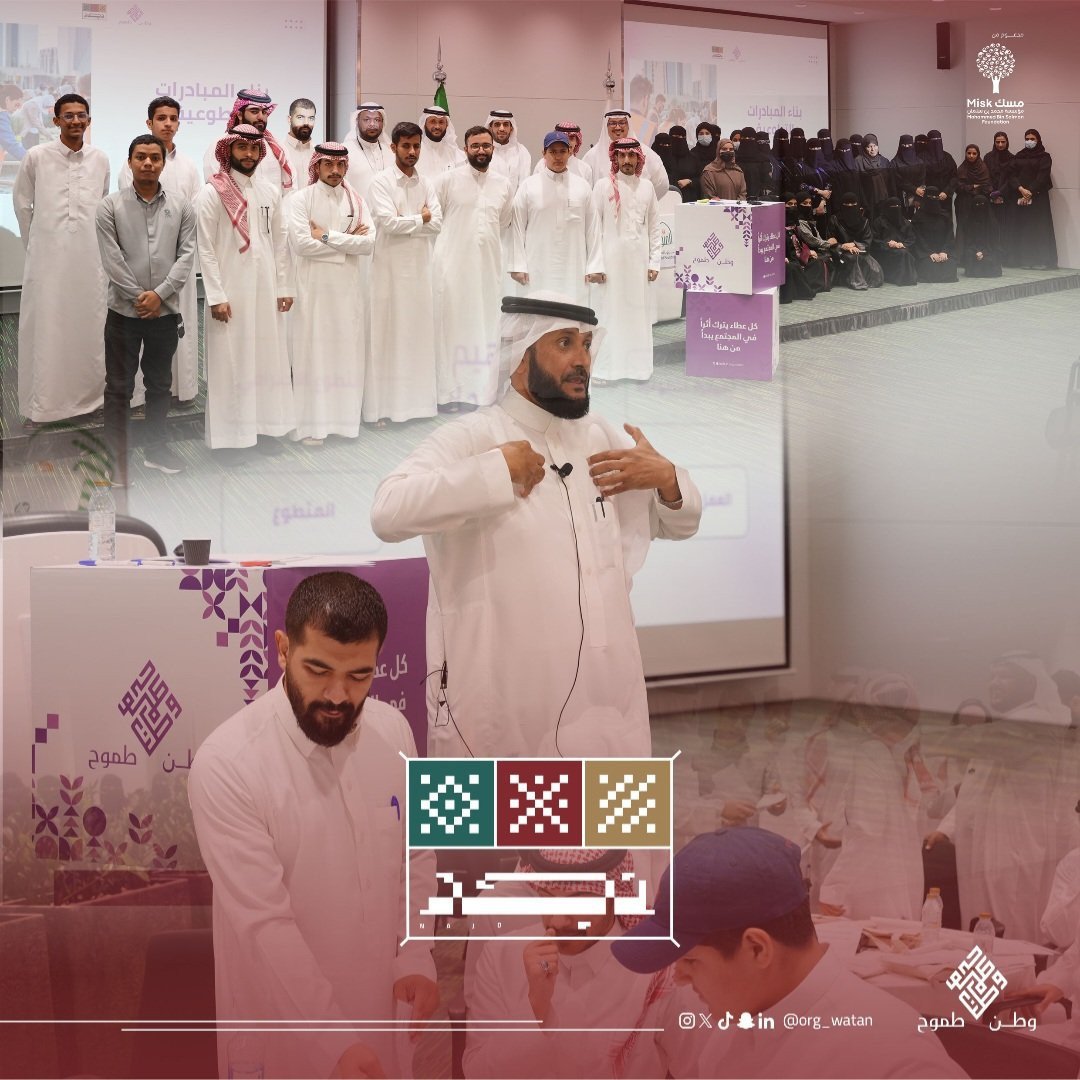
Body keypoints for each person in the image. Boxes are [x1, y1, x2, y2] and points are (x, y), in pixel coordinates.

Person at [370, 294, 701, 759]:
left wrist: (668, 480)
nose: (582, 360)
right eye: (564, 343)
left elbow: (681, 524)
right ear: (520, 357)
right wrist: (494, 471)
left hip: (608, 700)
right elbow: (387, 511)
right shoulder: (474, 437)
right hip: (498, 710)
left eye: (586, 344)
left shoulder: (601, 436)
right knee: (487, 810)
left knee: (615, 809)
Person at [188, 572, 439, 1080]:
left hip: (383, 1019)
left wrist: (416, 953)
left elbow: (417, 851)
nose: (338, 695)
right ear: (283, 650)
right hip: (285, 1038)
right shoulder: (228, 765)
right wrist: (334, 1042)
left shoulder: (394, 731)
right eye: (318, 670)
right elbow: (265, 928)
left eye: (359, 676)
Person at [612, 828, 967, 1079]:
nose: (679, 978)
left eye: (691, 961)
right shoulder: (736, 1023)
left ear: (757, 948)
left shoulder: (893, 1058)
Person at [463, 849, 703, 1079]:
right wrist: (534, 1007)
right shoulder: (501, 955)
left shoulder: (658, 970)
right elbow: (476, 1073)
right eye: (547, 899)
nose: (558, 920)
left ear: (614, 897)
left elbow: (700, 1070)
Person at [925, 652, 1077, 941]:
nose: (994, 683)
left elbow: (977, 741)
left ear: (1029, 683)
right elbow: (975, 787)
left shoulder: (1038, 722)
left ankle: (1008, 973)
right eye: (992, 676)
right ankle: (980, 972)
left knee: (1006, 926)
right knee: (982, 924)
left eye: (1004, 676)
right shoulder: (1008, 724)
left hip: (1013, 849)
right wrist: (947, 829)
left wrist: (917, 734)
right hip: (986, 846)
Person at [95, 134, 196, 483]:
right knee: (118, 387)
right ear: (130, 162)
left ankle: (156, 450)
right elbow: (112, 260)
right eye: (141, 157)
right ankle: (115, 459)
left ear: (163, 163)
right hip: (124, 314)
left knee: (159, 385)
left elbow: (186, 256)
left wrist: (160, 295)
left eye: (155, 157)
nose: (148, 163)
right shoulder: (109, 207)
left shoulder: (182, 206)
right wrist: (142, 297)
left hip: (164, 315)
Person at [194, 125, 295, 459]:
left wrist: (284, 285)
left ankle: (265, 430)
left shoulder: (270, 191)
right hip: (230, 291)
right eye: (242, 148)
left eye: (254, 148)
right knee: (231, 362)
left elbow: (280, 242)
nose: (249, 154)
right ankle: (230, 440)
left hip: (266, 289)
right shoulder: (213, 192)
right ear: (229, 150)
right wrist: (215, 295)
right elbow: (205, 249)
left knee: (267, 359)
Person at [14, 93, 110, 424]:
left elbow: (102, 205)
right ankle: (43, 405)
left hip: (90, 258)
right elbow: (22, 205)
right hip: (48, 260)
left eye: (81, 115)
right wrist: (37, 245)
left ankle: (90, 400)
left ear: (89, 120)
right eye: (68, 116)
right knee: (47, 325)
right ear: (55, 121)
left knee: (89, 324)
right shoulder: (36, 157)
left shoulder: (100, 159)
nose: (75, 121)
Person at [285, 142, 375, 445]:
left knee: (345, 353)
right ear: (317, 166)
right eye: (328, 165)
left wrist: (324, 235)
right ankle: (312, 427)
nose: (335, 171)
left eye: (340, 165)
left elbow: (368, 244)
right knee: (314, 354)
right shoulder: (300, 199)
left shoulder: (356, 201)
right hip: (313, 290)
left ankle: (344, 425)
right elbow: (301, 245)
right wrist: (346, 245)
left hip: (348, 290)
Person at [818, 674, 926, 920]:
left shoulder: (870, 754)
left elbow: (866, 832)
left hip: (872, 890)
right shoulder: (896, 757)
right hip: (897, 883)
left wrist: (834, 887)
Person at [119, 95, 202, 405]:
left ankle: (182, 390)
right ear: (149, 122)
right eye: (161, 118)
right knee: (144, 325)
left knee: (182, 324)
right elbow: (128, 212)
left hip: (179, 260)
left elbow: (194, 212)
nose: (168, 124)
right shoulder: (133, 163)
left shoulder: (189, 165)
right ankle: (142, 397)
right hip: (143, 262)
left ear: (179, 124)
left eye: (173, 118)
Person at [365, 121, 442, 426]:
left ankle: (417, 406)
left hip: (420, 270)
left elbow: (438, 224)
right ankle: (383, 409)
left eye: (416, 146)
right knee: (388, 336)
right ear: (393, 147)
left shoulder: (427, 184)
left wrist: (409, 220)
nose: (412, 152)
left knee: (416, 335)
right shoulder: (380, 183)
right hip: (388, 270)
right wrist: (421, 218)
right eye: (406, 146)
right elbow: (388, 224)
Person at [431, 126, 513, 411]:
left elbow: (503, 222)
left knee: (486, 327)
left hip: (488, 269)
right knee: (452, 329)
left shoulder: (503, 184)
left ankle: (481, 391)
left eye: (486, 146)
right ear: (465, 149)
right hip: (452, 267)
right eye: (475, 146)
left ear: (493, 149)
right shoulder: (446, 181)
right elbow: (434, 221)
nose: (481, 151)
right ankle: (449, 394)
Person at [590, 138, 661, 382]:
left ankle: (637, 370)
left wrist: (654, 262)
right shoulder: (602, 186)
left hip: (639, 265)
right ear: (616, 159)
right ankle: (605, 370)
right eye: (622, 156)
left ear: (639, 159)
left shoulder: (647, 187)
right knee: (609, 315)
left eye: (632, 156)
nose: (627, 160)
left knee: (637, 315)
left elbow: (654, 227)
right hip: (609, 264)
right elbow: (593, 228)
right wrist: (596, 265)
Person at [509, 131, 603, 308]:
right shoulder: (528, 186)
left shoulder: (582, 186)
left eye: (562, 151)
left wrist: (595, 266)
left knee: (573, 314)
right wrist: (518, 265)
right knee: (537, 313)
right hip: (537, 265)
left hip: (574, 266)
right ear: (543, 153)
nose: (558, 157)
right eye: (552, 152)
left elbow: (593, 229)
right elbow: (517, 228)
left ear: (570, 152)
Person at [201, 88, 294, 189]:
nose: (261, 117)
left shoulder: (278, 147)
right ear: (240, 115)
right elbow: (216, 187)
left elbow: (291, 188)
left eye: (264, 112)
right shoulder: (221, 145)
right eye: (254, 111)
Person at [581, 109, 669, 203]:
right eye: (613, 123)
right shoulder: (592, 156)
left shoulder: (645, 152)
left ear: (628, 125)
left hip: (636, 209)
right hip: (606, 210)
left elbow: (662, 184)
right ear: (606, 126)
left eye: (622, 122)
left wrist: (645, 201)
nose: (617, 127)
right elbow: (584, 188)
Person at [1008, 128, 1057, 269]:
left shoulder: (1044, 157)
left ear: (1038, 140)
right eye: (1027, 139)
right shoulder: (1019, 156)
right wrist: (1021, 189)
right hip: (1021, 196)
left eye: (1032, 139)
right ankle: (1025, 260)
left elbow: (1043, 176)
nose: (1029, 141)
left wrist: (1031, 191)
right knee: (1024, 228)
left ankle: (1041, 260)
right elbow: (1011, 175)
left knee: (1039, 228)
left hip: (1039, 198)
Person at [827, 193, 883, 291]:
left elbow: (867, 241)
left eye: (853, 204)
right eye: (846, 204)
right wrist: (843, 246)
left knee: (875, 270)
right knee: (853, 258)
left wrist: (854, 244)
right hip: (841, 252)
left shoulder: (864, 221)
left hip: (860, 250)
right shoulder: (835, 219)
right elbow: (830, 241)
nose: (850, 206)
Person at [341, 101, 392, 200]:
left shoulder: (390, 151)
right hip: (357, 208)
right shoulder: (345, 152)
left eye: (377, 120)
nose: (372, 124)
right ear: (357, 122)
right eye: (366, 120)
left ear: (383, 123)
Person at [910, 188, 958, 283]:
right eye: (930, 197)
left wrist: (944, 251)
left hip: (943, 252)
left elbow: (949, 236)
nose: (933, 199)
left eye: (935, 197)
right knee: (931, 268)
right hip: (925, 254)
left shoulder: (944, 216)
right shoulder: (918, 217)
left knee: (950, 265)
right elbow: (918, 239)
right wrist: (929, 253)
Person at [871, 197, 918, 286]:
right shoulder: (879, 222)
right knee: (903, 253)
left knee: (904, 253)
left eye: (898, 206)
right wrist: (888, 244)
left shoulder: (905, 222)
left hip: (902, 249)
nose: (896, 210)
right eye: (893, 207)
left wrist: (902, 244)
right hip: (884, 251)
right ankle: (902, 278)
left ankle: (905, 278)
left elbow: (912, 239)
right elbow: (874, 239)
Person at [983, 131, 1014, 262]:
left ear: (1007, 142)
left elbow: (1011, 179)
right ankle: (991, 255)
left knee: (1005, 227)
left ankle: (1005, 257)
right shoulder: (988, 157)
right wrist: (992, 193)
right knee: (991, 226)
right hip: (990, 198)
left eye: (1003, 142)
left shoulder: (1012, 158)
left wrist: (1000, 193)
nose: (1000, 145)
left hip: (1006, 199)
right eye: (997, 142)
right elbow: (985, 176)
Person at [532, 120, 594, 186]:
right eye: (563, 137)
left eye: (571, 138)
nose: (568, 142)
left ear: (577, 141)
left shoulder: (585, 169)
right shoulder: (541, 165)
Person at [487, 108, 531, 192]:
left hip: (516, 200)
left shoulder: (522, 151)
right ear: (490, 128)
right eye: (497, 124)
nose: (501, 128)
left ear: (511, 128)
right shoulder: (484, 151)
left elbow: (524, 184)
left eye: (506, 124)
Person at [958, 195, 1002, 278]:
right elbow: (968, 241)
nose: (979, 207)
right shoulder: (968, 222)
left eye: (982, 204)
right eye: (977, 204)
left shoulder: (992, 223)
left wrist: (983, 252)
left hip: (989, 249)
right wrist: (976, 251)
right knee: (969, 254)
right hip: (973, 249)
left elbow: (994, 242)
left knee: (992, 257)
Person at [415, 104, 464, 178]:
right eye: (433, 121)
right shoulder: (415, 150)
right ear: (424, 124)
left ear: (447, 125)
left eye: (441, 122)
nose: (437, 126)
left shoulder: (454, 153)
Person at [854, 134, 895, 220]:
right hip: (866, 201)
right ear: (864, 148)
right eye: (869, 147)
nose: (873, 149)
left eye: (875, 146)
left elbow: (889, 183)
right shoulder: (858, 161)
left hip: (883, 201)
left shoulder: (884, 161)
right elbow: (857, 184)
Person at [283, 97, 317, 187]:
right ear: (289, 119)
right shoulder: (280, 152)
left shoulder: (318, 153)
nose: (306, 123)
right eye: (300, 117)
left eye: (311, 118)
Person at [891, 135, 924, 214]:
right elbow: (898, 180)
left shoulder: (920, 162)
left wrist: (918, 199)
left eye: (909, 145)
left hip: (917, 198)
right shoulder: (894, 163)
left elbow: (922, 180)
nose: (907, 147)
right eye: (904, 145)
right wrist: (914, 189)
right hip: (900, 198)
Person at [735, 124, 770, 198]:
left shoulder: (762, 159)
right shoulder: (735, 158)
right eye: (744, 138)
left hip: (757, 198)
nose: (747, 140)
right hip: (738, 197)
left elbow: (766, 181)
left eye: (750, 138)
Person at [0, 83, 25, 160]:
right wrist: (31, 159)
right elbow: (11, 144)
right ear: (7, 100)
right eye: (17, 105)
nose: (18, 108)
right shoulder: (2, 117)